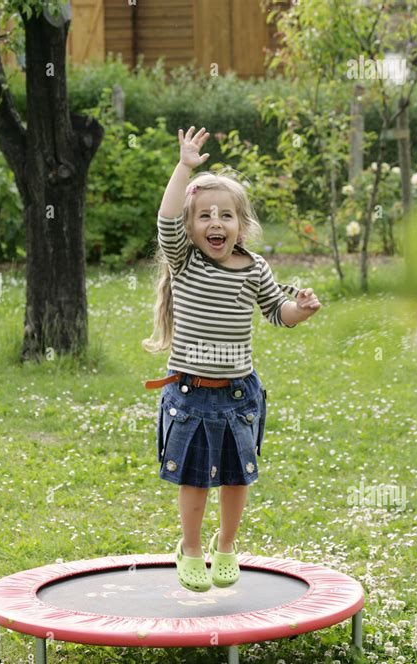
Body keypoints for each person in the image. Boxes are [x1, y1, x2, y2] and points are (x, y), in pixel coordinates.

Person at [142, 126, 321, 593]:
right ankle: (191, 548)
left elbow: (276, 312)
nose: (215, 223)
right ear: (190, 226)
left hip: (239, 394)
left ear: (241, 224)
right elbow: (164, 219)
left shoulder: (256, 268)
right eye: (204, 216)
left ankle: (226, 545)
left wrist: (299, 310)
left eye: (225, 216)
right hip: (191, 393)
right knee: (197, 481)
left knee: (238, 479)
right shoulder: (186, 261)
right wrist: (185, 167)